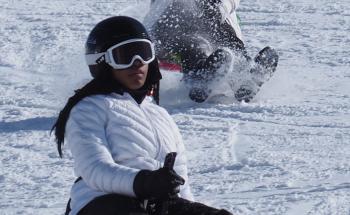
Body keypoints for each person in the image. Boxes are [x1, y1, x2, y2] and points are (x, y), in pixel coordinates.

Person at [52, 16, 233, 215]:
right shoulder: (89, 108)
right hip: (100, 203)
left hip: (154, 204)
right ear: (102, 62)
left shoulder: (160, 115)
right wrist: (144, 182)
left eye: (143, 53)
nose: (137, 63)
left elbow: (180, 180)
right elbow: (95, 169)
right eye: (125, 55)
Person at [144, 0, 279, 103]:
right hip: (173, 24)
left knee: (228, 40)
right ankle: (198, 76)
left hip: (217, 18)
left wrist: (220, 7)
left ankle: (243, 76)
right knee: (193, 41)